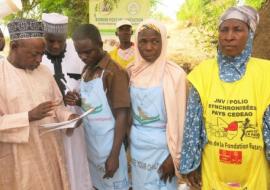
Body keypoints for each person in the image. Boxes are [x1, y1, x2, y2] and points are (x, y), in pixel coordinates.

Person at [180, 6, 270, 190]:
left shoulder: (266, 74)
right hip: (212, 171)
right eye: (224, 29)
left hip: (255, 173)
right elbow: (192, 125)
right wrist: (190, 165)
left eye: (237, 29)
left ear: (250, 34)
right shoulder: (202, 74)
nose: (229, 37)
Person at [0, 18, 77, 190]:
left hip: (50, 150)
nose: (39, 60)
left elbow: (56, 105)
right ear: (14, 47)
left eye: (42, 54)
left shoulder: (44, 72)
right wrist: (28, 116)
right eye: (34, 54)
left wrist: (69, 117)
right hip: (21, 158)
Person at [65, 24, 130, 190]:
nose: (84, 56)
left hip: (110, 147)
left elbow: (123, 115)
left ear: (100, 45)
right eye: (79, 52)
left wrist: (114, 155)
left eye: (88, 51)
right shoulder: (87, 70)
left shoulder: (114, 72)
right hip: (92, 146)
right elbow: (94, 105)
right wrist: (78, 101)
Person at [127, 19, 187, 190]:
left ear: (164, 42)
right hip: (138, 147)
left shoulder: (175, 75)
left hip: (164, 149)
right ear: (136, 43)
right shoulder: (131, 72)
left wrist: (174, 157)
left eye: (155, 41)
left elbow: (181, 120)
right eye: (143, 41)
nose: (148, 47)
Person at [41, 13, 93, 190]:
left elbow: (90, 86)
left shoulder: (77, 51)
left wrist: (78, 98)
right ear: (44, 37)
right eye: (50, 41)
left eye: (61, 41)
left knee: (76, 162)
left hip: (75, 122)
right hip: (48, 123)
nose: (56, 45)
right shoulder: (35, 54)